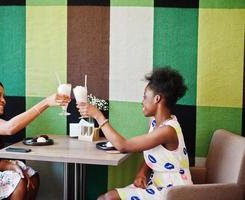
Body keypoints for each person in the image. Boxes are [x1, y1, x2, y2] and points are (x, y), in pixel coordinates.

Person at [77, 67, 192, 200]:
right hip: (158, 184)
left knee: (108, 198)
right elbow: (154, 152)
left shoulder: (167, 130)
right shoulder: (157, 123)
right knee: (105, 198)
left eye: (144, 96)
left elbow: (123, 146)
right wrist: (142, 172)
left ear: (157, 99)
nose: (141, 101)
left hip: (174, 192)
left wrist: (98, 116)